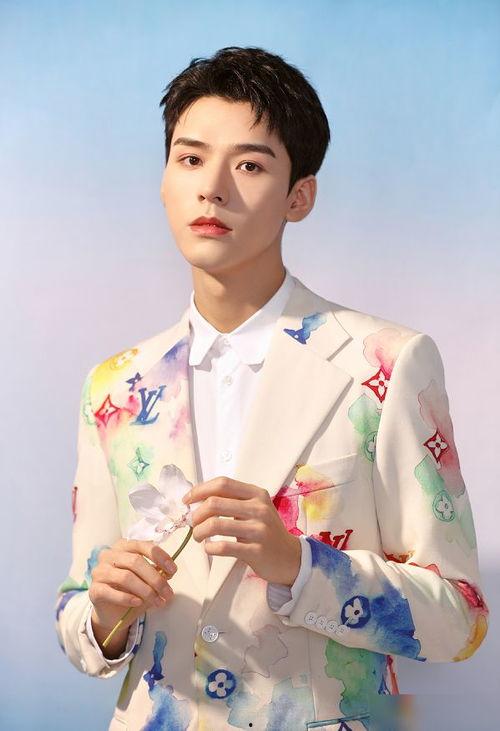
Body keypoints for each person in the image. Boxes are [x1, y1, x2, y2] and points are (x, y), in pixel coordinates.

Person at [55, 46, 488, 731]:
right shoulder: (117, 385)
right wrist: (105, 612)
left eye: (250, 165)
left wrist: (299, 565)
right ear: (164, 180)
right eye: (190, 159)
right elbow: (81, 616)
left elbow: (459, 617)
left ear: (299, 196)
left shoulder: (384, 363)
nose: (212, 188)